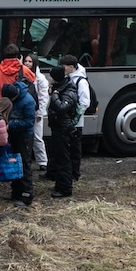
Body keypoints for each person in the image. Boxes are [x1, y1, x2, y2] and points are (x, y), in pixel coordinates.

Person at [0, 80, 36, 207]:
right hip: (14, 135)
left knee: (24, 164)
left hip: (24, 136)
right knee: (14, 161)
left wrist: (11, 125)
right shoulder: (13, 96)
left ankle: (26, 194)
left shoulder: (28, 101)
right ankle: (16, 192)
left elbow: (29, 122)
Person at [45, 66, 80, 198]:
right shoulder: (62, 87)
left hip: (63, 129)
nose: (49, 79)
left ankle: (65, 188)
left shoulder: (68, 90)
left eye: (51, 76)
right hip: (58, 126)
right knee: (59, 157)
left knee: (63, 159)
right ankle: (60, 184)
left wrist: (53, 95)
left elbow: (61, 108)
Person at [61, 54, 89, 182]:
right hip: (68, 120)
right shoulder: (69, 78)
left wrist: (76, 118)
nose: (63, 69)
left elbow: (85, 102)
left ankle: (75, 173)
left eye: (64, 66)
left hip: (75, 122)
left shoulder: (81, 81)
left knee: (75, 149)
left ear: (71, 67)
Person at [22, 50, 50, 172]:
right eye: (26, 61)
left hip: (35, 112)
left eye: (30, 61)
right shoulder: (22, 75)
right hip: (24, 110)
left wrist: (40, 113)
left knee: (37, 137)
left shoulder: (41, 79)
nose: (27, 63)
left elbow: (44, 97)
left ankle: (43, 161)